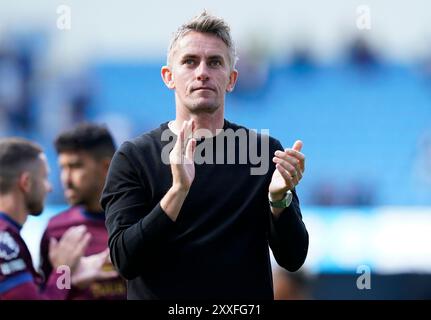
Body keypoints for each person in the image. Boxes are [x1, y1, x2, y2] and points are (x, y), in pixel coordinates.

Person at [102, 11, 309, 300]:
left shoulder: (262, 153)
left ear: (231, 79)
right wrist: (178, 191)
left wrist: (278, 201)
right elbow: (125, 261)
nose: (202, 72)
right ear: (168, 77)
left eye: (215, 62)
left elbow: (293, 258)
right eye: (190, 61)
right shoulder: (134, 157)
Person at [0, 137, 112, 299]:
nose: (49, 188)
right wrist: (63, 270)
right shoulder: (5, 244)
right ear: (26, 183)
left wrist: (69, 282)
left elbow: (47, 294)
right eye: (44, 178)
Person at [39, 123, 127, 300]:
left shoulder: (138, 221)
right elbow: (50, 292)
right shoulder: (57, 229)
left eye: (76, 166)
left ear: (106, 166)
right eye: (63, 168)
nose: (66, 179)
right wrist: (67, 279)